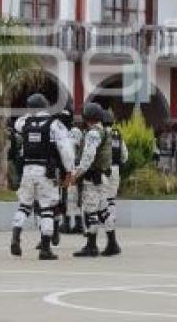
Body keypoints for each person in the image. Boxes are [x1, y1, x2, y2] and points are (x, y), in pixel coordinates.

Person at [10, 94, 75, 260]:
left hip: (27, 170)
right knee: (47, 209)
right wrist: (69, 170)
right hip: (46, 172)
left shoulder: (24, 122)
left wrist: (30, 113)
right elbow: (66, 150)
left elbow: (18, 124)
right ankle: (45, 248)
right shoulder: (55, 125)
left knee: (24, 206)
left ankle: (15, 236)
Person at [68, 102, 112, 258]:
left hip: (92, 179)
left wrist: (76, 175)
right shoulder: (105, 131)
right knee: (103, 210)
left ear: (87, 117)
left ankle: (91, 246)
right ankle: (111, 243)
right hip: (101, 177)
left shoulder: (93, 133)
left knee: (90, 212)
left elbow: (88, 157)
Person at [102, 109, 128, 257]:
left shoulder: (99, 133)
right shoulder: (117, 134)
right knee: (111, 202)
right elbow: (125, 156)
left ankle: (108, 239)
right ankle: (112, 239)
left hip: (103, 170)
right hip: (115, 170)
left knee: (100, 204)